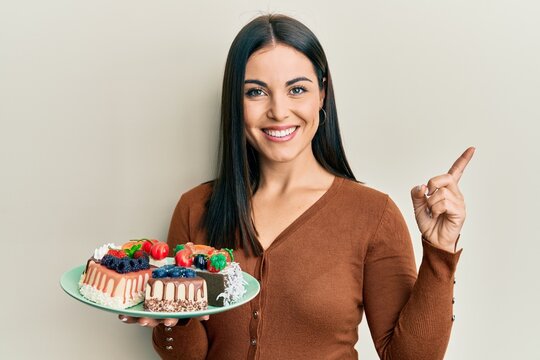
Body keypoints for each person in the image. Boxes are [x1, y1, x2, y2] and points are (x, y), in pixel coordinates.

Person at [119, 13, 475, 360]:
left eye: (297, 89)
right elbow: (188, 355)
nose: (278, 111)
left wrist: (440, 251)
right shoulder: (195, 208)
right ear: (235, 102)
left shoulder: (372, 215)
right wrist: (171, 321)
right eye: (256, 92)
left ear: (322, 95)